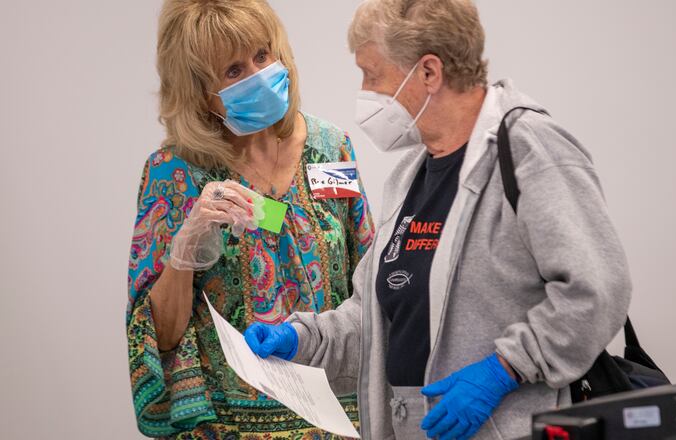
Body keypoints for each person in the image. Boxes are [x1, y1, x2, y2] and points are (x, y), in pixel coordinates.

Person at [245, 0, 632, 438]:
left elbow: (598, 290)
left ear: (429, 72)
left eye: (372, 74)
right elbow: (377, 320)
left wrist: (505, 368)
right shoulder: (411, 176)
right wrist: (302, 338)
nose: (365, 91)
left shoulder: (529, 150)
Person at [125, 0, 374, 438]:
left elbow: (370, 287)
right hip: (228, 427)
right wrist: (188, 243)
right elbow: (160, 337)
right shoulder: (175, 173)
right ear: (201, 93)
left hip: (334, 420)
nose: (258, 75)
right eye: (234, 71)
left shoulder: (331, 149)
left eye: (262, 55)